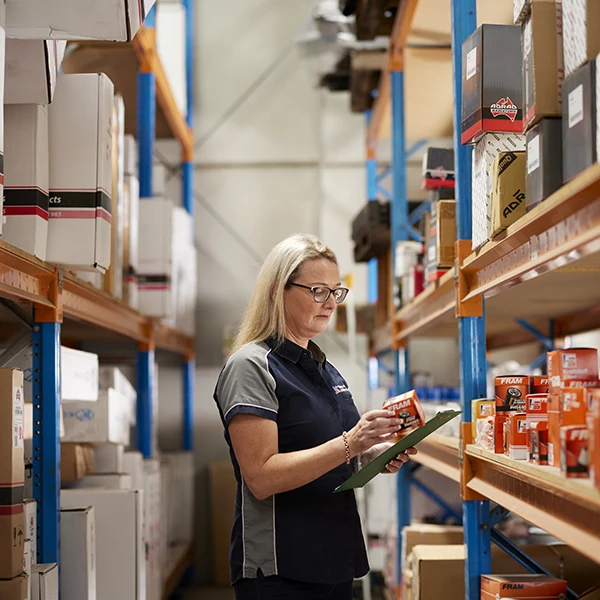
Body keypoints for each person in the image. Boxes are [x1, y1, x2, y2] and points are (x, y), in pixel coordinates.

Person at [214, 233, 417, 600]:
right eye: (317, 291)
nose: (330, 303)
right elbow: (261, 477)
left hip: (335, 557)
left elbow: (332, 458)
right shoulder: (251, 366)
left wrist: (371, 456)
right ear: (278, 291)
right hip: (282, 569)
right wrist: (351, 442)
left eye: (336, 292)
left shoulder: (324, 369)